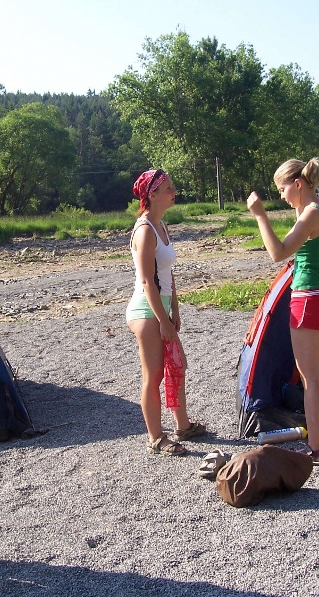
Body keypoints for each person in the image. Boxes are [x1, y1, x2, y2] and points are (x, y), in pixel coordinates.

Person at [246, 157, 319, 466]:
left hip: (306, 300)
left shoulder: (308, 217)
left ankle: (317, 449)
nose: (281, 196)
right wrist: (297, 203)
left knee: (311, 380)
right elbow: (304, 221)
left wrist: (260, 217)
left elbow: (277, 253)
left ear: (297, 184)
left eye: (283, 189)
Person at [126, 168, 206, 456]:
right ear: (153, 194)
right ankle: (156, 437)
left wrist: (176, 309)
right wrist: (163, 320)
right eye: (169, 188)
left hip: (161, 308)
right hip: (146, 310)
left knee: (177, 366)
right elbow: (147, 279)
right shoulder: (145, 229)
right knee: (154, 375)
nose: (174, 192)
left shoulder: (161, 226)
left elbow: (167, 274)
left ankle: (182, 426)